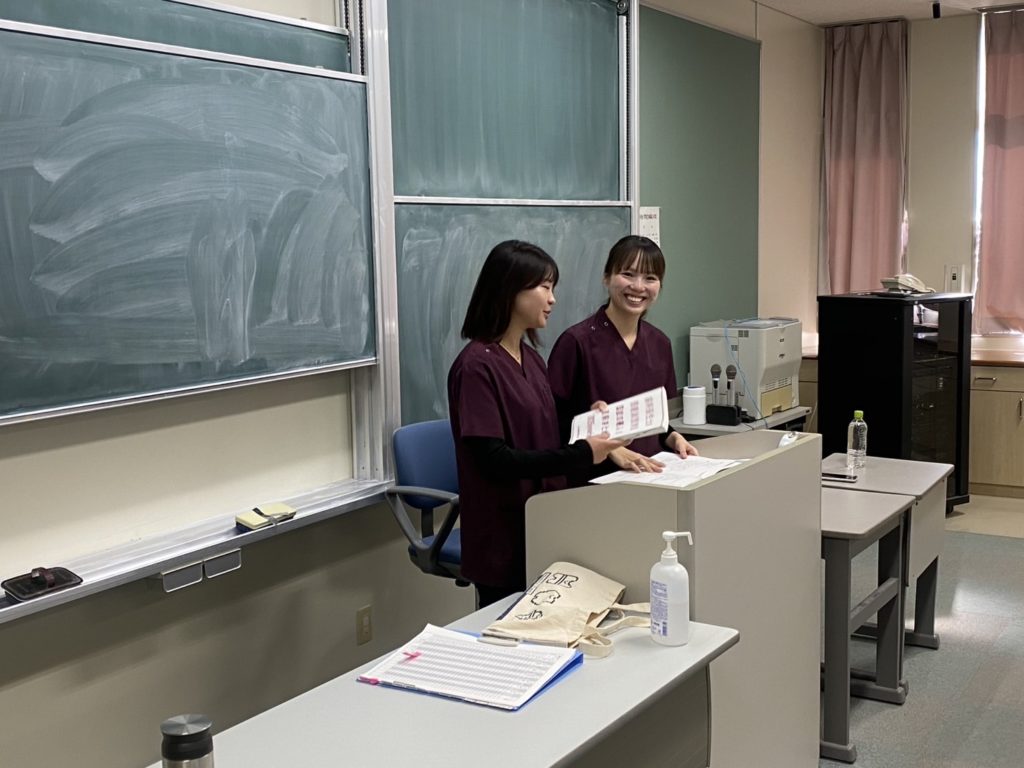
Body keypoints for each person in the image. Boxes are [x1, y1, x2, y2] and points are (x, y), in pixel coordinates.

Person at [447, 240, 625, 608]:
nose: (552, 299)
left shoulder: (530, 358)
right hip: (503, 533)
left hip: (542, 521)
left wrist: (585, 420)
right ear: (510, 290)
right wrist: (581, 454)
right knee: (507, 628)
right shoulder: (476, 367)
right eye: (544, 287)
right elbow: (495, 460)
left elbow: (544, 426)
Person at [548, 234, 698, 483]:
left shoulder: (659, 343)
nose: (638, 287)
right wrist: (610, 449)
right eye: (628, 274)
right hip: (593, 481)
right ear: (606, 277)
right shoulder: (576, 342)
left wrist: (673, 437)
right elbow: (552, 423)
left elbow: (653, 421)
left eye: (650, 278)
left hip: (652, 477)